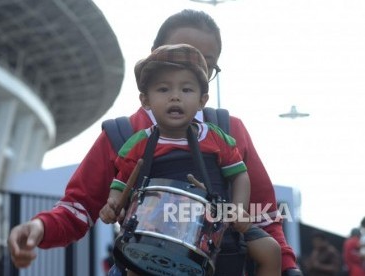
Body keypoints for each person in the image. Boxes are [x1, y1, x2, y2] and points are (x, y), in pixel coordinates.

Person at [7, 9, 300, 275]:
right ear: (152, 60)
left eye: (204, 66)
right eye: (177, 59)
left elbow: (264, 213)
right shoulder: (122, 136)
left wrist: (287, 266)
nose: (189, 69)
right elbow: (78, 208)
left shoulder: (228, 130)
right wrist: (39, 227)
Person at [98, 43, 281, 276]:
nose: (175, 97)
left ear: (202, 100)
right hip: (156, 224)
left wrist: (238, 209)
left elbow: (239, 175)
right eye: (163, 90)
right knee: (136, 267)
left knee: (270, 249)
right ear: (146, 101)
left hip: (216, 218)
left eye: (186, 90)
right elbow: (121, 181)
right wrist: (113, 204)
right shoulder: (138, 143)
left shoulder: (216, 137)